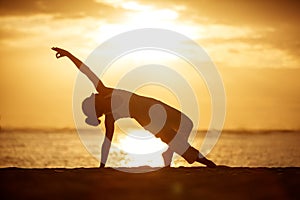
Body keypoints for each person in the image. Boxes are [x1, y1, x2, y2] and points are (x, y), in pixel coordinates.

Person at [51, 47, 217, 168]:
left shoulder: (103, 90)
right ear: (96, 106)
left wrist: (68, 55)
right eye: (91, 98)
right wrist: (101, 167)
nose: (93, 95)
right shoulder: (110, 117)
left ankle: (168, 154)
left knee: (186, 124)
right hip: (150, 121)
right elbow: (106, 144)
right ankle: (209, 164)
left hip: (152, 104)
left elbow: (85, 71)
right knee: (179, 144)